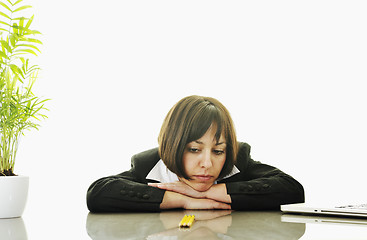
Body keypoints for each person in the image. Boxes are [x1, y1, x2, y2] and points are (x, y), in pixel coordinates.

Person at [87, 95, 304, 212]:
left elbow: (293, 190)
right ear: (172, 145)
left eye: (218, 151)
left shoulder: (238, 160)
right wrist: (183, 200)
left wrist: (207, 192)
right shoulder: (149, 166)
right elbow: (98, 193)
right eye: (194, 149)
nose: (207, 163)